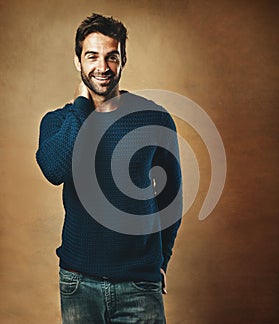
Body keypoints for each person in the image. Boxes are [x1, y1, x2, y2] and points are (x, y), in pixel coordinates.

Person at [36, 13, 182, 323]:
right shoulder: (58, 122)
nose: (102, 67)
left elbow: (171, 197)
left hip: (140, 285)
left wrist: (161, 261)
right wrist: (81, 106)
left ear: (123, 60)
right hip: (79, 283)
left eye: (111, 57)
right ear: (78, 62)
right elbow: (55, 169)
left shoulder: (153, 118)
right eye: (92, 56)